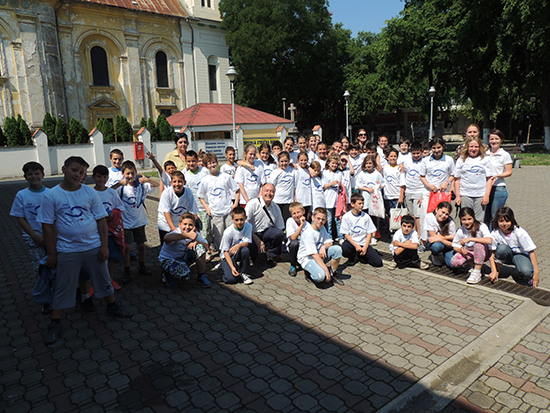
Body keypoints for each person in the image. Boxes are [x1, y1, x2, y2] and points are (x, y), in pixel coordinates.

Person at [38, 156, 132, 344]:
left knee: (103, 278)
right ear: (64, 169)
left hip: (93, 246)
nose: (78, 175)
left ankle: (112, 306)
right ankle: (55, 321)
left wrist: (104, 246)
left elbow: (101, 221)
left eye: (81, 172)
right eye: (74, 170)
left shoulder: (90, 194)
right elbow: (47, 226)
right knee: (63, 284)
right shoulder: (51, 195)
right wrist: (52, 253)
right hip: (67, 249)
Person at [10, 161, 50, 313]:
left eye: (36, 173)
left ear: (43, 175)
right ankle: (44, 298)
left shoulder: (50, 193)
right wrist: (34, 235)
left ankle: (56, 293)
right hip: (33, 239)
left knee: (55, 265)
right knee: (40, 268)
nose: (34, 176)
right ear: (25, 177)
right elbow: (20, 217)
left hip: (51, 238)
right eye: (30, 174)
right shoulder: (21, 195)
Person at [117, 160, 159, 283]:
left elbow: (156, 184)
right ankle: (127, 270)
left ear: (136, 172)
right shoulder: (121, 188)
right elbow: (108, 192)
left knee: (141, 245)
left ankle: (141, 265)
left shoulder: (141, 186)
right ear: (123, 174)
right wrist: (118, 183)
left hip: (139, 221)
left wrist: (148, 180)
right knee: (127, 248)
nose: (130, 176)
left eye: (132, 173)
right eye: (127, 173)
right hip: (126, 223)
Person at [91, 165, 125, 291]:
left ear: (107, 178)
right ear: (93, 177)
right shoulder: (90, 193)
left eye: (104, 177)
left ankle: (109, 279)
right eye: (98, 177)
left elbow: (120, 207)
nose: (101, 179)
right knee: (96, 258)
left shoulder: (111, 192)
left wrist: (112, 215)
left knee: (112, 256)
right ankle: (93, 283)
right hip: (95, 233)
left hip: (111, 232)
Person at [198, 153, 240, 251]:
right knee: (219, 235)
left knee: (230, 233)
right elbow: (200, 196)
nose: (212, 165)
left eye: (214, 162)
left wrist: (236, 204)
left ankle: (232, 252)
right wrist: (207, 208)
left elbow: (237, 189)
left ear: (217, 163)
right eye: (209, 163)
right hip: (216, 213)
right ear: (206, 166)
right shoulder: (205, 180)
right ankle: (222, 253)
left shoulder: (225, 177)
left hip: (228, 211)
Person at [489, 207, 539, 287]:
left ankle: (521, 271)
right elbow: (491, 253)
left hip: (520, 255)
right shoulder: (495, 233)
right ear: (497, 221)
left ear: (512, 220)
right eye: (501, 221)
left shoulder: (520, 232)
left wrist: (536, 274)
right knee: (501, 248)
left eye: (507, 221)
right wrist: (493, 270)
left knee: (526, 272)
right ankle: (498, 270)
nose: (504, 224)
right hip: (506, 254)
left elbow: (531, 252)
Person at [158, 212, 210, 288]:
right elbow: (166, 239)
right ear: (179, 224)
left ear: (194, 226)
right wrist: (186, 235)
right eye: (185, 224)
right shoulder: (176, 232)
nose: (187, 227)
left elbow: (207, 247)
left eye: (190, 225)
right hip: (167, 260)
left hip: (182, 258)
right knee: (184, 274)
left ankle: (201, 276)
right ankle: (167, 274)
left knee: (200, 248)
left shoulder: (194, 234)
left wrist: (196, 241)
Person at [419, 136, 455, 243]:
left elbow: (453, 174)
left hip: (442, 194)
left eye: (438, 147)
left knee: (442, 216)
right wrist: (429, 186)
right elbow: (422, 176)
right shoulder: (426, 160)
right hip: (428, 193)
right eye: (434, 148)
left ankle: (440, 239)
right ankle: (424, 241)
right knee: (425, 216)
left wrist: (446, 182)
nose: (436, 150)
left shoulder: (449, 159)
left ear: (443, 147)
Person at [297, 207, 343, 285]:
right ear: (313, 217)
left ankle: (333, 273)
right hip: (307, 258)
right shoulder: (308, 233)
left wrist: (323, 247)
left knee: (337, 249)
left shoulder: (322, 228)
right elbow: (313, 254)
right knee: (321, 277)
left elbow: (329, 242)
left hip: (319, 254)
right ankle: (309, 272)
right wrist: (326, 270)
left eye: (323, 219)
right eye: (318, 218)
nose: (320, 221)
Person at [454, 137, 494, 223]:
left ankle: (477, 236)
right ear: (467, 147)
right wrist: (457, 196)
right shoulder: (461, 160)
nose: (473, 149)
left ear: (480, 147)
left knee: (478, 221)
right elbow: (457, 179)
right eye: (471, 146)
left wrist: (487, 195)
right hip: (465, 194)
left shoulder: (485, 159)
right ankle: (466, 236)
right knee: (466, 219)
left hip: (480, 195)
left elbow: (490, 178)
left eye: (476, 146)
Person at [450, 207, 493, 284]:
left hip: (483, 252)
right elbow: (455, 245)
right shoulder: (460, 230)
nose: (467, 222)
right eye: (464, 219)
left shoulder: (481, 226)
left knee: (478, 245)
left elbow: (489, 240)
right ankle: (472, 264)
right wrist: (460, 249)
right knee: (454, 262)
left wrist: (471, 239)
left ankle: (477, 272)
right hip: (470, 252)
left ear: (474, 218)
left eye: (469, 219)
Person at [245, 183, 285, 263]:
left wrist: (280, 250)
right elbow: (244, 225)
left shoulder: (276, 207)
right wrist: (257, 240)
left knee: (279, 233)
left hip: (266, 232)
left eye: (272, 191)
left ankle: (271, 254)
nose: (269, 194)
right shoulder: (252, 204)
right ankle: (252, 254)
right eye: (266, 191)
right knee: (253, 256)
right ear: (262, 192)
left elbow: (280, 228)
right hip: (251, 234)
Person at [340, 193, 383, 267]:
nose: (362, 205)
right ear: (353, 204)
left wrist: (365, 247)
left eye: (363, 203)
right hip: (352, 243)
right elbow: (345, 234)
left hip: (363, 243)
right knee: (344, 249)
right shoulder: (346, 217)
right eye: (359, 203)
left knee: (378, 263)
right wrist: (356, 245)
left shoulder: (366, 216)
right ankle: (352, 257)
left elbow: (369, 233)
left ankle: (362, 255)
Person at [157, 171, 198, 245]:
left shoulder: (188, 192)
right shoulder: (166, 193)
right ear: (171, 183)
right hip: (166, 223)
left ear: (184, 182)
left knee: (182, 245)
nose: (177, 184)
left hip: (180, 223)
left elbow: (192, 211)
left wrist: (194, 226)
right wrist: (173, 228)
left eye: (180, 181)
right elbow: (166, 212)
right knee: (167, 245)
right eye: (174, 182)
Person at [484, 129, 513, 226]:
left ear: (501, 140)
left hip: (498, 188)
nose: (494, 141)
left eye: (496, 139)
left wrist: (497, 176)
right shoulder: (485, 154)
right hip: (484, 188)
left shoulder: (504, 155)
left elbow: (509, 172)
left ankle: (494, 238)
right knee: (485, 216)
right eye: (491, 139)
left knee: (494, 216)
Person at [220, 207, 254, 285]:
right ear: (232, 219)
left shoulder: (248, 226)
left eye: (241, 219)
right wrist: (232, 267)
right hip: (228, 255)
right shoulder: (228, 232)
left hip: (239, 251)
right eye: (237, 220)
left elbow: (247, 242)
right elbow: (225, 252)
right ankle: (228, 267)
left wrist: (238, 246)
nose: (239, 222)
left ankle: (243, 272)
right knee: (231, 280)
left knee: (245, 250)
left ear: (246, 218)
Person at [355, 155, 384, 244]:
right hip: (365, 200)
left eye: (370, 163)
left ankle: (373, 236)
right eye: (366, 163)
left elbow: (382, 184)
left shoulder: (377, 174)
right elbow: (358, 186)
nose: (368, 165)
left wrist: (379, 185)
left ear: (373, 164)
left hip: (374, 200)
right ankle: (364, 236)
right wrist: (367, 189)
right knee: (364, 217)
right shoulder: (362, 174)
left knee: (373, 218)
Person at [424, 201, 456, 268]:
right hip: (436, 243)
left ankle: (445, 254)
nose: (444, 216)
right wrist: (446, 237)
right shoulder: (429, 217)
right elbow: (433, 237)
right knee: (437, 246)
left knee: (452, 265)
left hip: (448, 245)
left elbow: (453, 242)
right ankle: (435, 254)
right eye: (443, 212)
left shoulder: (451, 223)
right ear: (437, 209)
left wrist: (440, 239)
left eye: (447, 214)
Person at [402, 142, 424, 235]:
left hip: (419, 191)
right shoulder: (407, 161)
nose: (415, 155)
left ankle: (420, 236)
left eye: (418, 153)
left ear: (422, 152)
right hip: (408, 191)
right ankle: (413, 234)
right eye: (413, 153)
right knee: (411, 215)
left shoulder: (424, 162)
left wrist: (423, 195)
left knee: (418, 216)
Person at [269, 151, 295, 223]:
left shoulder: (292, 170)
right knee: (278, 221)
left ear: (289, 161)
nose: (284, 163)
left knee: (287, 220)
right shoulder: (275, 172)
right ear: (278, 161)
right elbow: (271, 186)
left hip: (288, 201)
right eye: (282, 161)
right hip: (277, 200)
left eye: (286, 161)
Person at [382, 147, 405, 230]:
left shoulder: (399, 169)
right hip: (387, 196)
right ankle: (390, 230)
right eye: (391, 156)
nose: (393, 158)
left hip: (396, 196)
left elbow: (402, 184)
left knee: (397, 215)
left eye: (395, 156)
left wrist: (401, 196)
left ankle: (397, 230)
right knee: (389, 214)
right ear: (387, 157)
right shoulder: (385, 168)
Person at [322, 154, 343, 241]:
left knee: (338, 220)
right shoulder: (325, 173)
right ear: (328, 163)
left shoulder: (339, 173)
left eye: (336, 163)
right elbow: (323, 186)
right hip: (328, 201)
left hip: (337, 201)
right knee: (329, 221)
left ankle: (341, 237)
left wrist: (340, 185)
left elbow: (342, 187)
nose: (334, 165)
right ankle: (329, 237)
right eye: (332, 163)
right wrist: (331, 183)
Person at [286, 202, 309, 277]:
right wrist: (301, 226)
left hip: (304, 247)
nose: (297, 215)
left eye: (299, 212)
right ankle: (293, 265)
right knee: (294, 243)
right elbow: (293, 237)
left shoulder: (308, 225)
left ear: (303, 211)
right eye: (294, 213)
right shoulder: (290, 221)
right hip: (293, 246)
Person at [294, 152, 312, 218]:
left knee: (307, 218)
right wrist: (295, 198)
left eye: (305, 160)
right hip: (300, 198)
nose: (303, 162)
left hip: (308, 199)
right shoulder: (296, 170)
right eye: (301, 160)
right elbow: (294, 186)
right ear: (298, 160)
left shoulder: (309, 170)